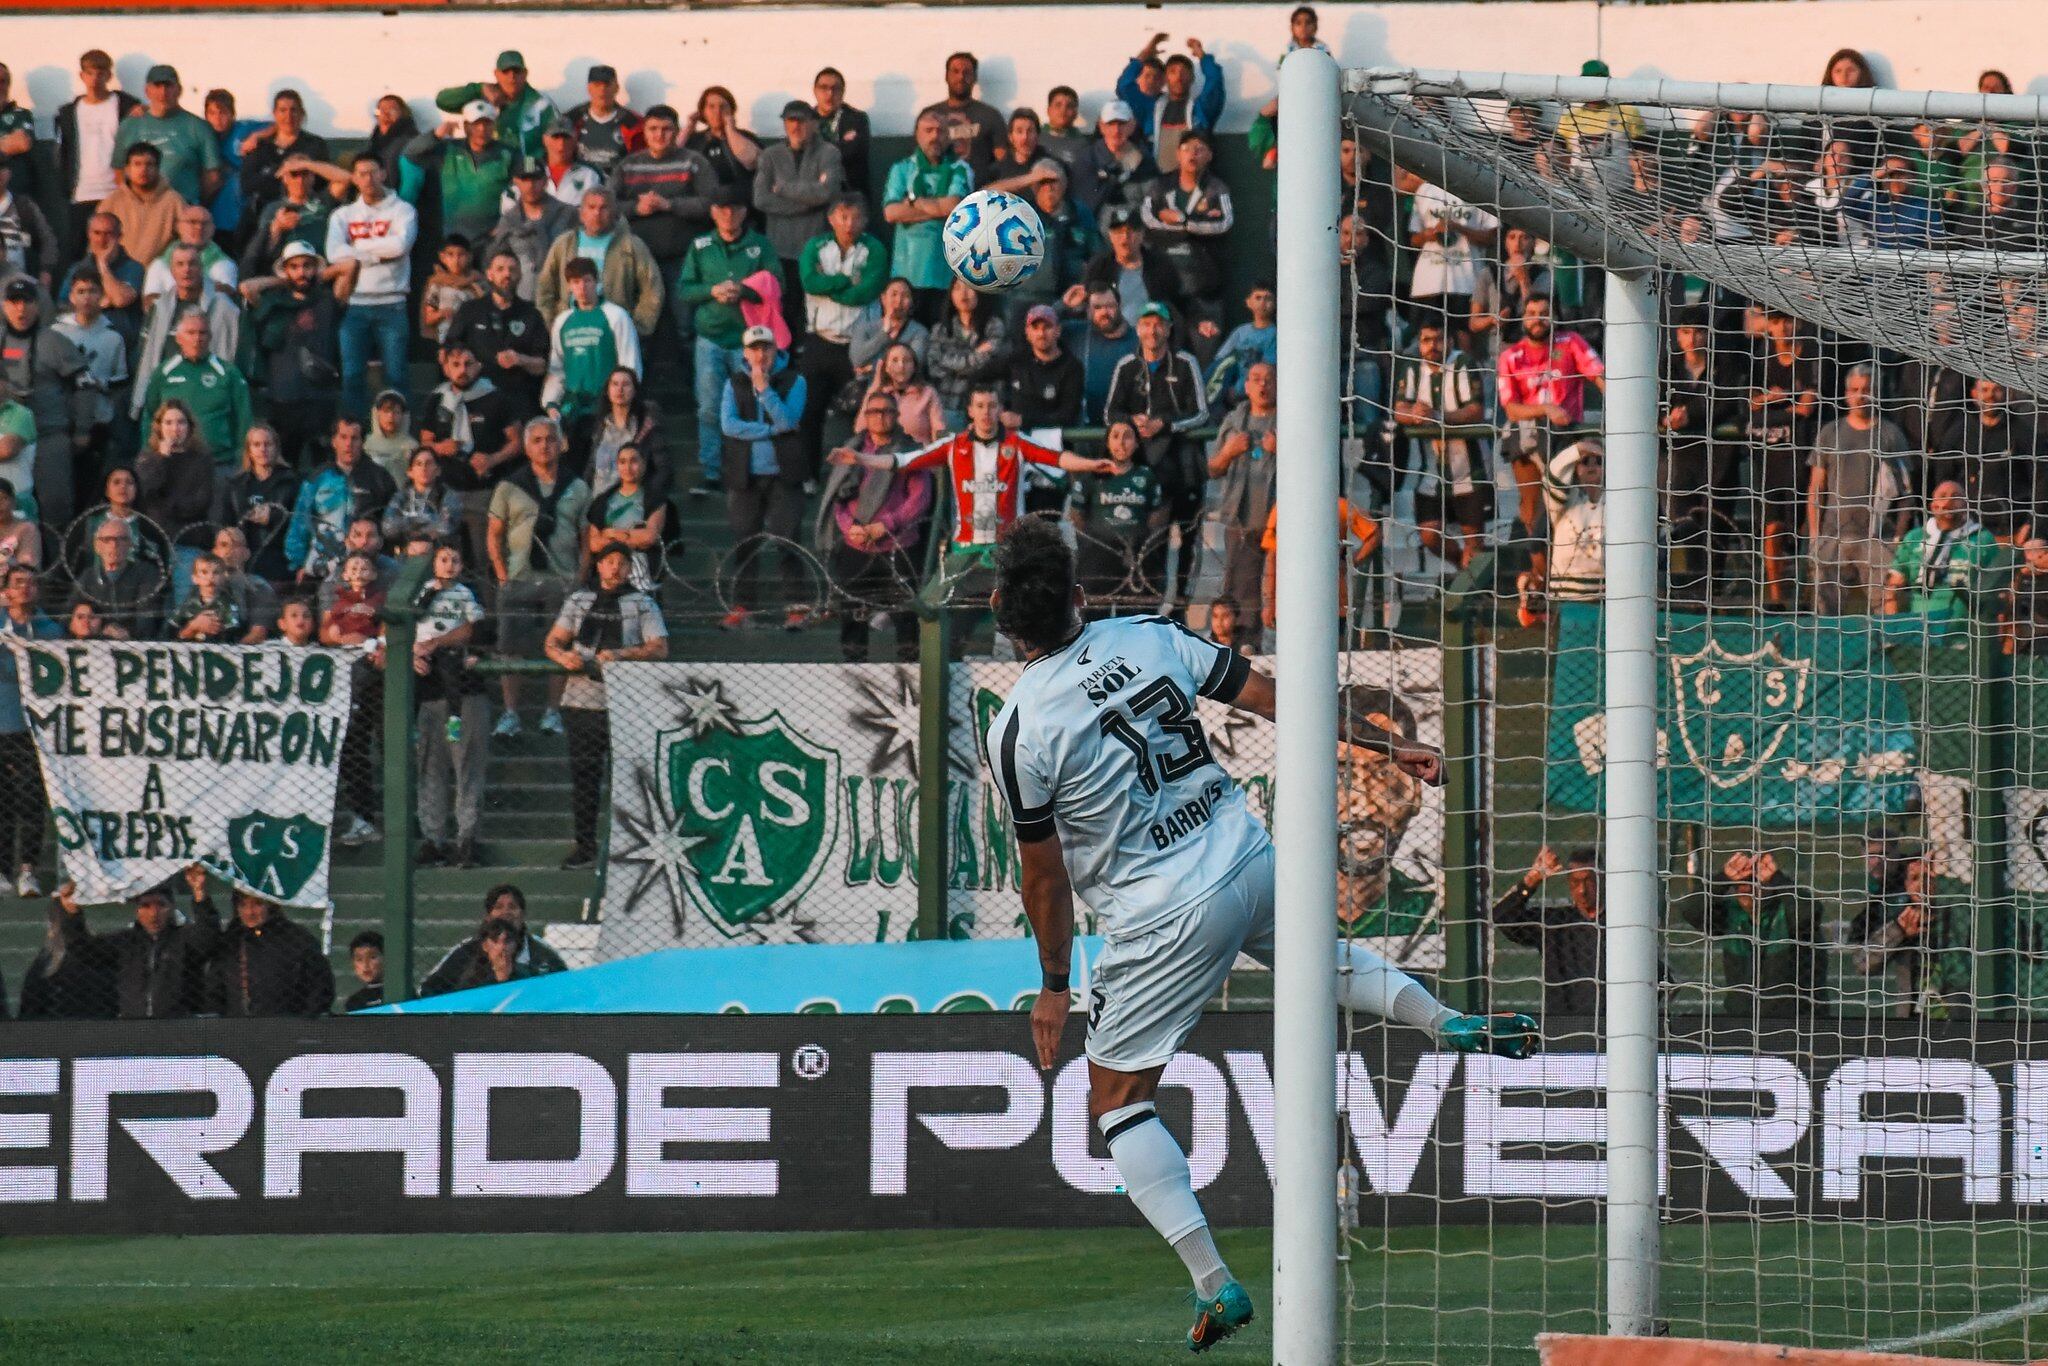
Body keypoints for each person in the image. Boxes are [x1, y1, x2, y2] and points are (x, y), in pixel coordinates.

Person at [981, 518, 1532, 1351]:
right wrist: (1391, 743)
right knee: (1322, 961)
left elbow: (1044, 878)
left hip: (1159, 912)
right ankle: (1445, 1021)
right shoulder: (1149, 636)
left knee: (1117, 1101)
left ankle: (1217, 1285)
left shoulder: (1019, 728)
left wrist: (1055, 986)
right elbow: (1279, 698)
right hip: (1245, 853)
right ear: (1081, 598)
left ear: (1000, 614)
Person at [545, 542, 669, 869]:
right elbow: (553, 641)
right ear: (599, 566)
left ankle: (631, 849)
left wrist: (622, 655)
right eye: (609, 561)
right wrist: (563, 657)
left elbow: (659, 648)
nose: (615, 568)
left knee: (629, 779)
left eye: (622, 563)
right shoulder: (579, 600)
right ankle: (585, 846)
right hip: (581, 701)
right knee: (584, 778)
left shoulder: (642, 603)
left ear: (630, 569)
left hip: (625, 705)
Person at [488, 417, 589, 738]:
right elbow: (494, 534)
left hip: (562, 578)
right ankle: (510, 713)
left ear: (561, 444)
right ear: (526, 447)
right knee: (510, 647)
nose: (544, 446)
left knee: (561, 644)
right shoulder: (509, 486)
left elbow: (587, 538)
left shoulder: (577, 487)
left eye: (550, 439)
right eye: (537, 440)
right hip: (519, 578)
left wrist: (580, 577)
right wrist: (502, 576)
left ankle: (553, 711)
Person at [1105, 301, 1207, 602]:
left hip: (1182, 468)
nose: (1153, 330)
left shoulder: (1185, 363)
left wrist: (1164, 424)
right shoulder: (1127, 365)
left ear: (1169, 328)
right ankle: (1145, 600)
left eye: (1159, 324)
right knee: (1147, 540)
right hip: (1143, 470)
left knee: (1187, 538)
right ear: (1138, 329)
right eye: (1147, 324)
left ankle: (1181, 604)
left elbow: (1201, 413)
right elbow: (1110, 412)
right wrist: (1132, 423)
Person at [676, 187, 776, 492]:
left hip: (750, 341)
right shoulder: (700, 246)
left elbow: (777, 284)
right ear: (712, 212)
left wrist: (743, 290)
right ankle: (711, 470)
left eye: (734, 208)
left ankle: (751, 470)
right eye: (721, 208)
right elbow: (684, 290)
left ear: (745, 212)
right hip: (710, 338)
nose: (728, 214)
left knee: (754, 406)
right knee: (709, 407)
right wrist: (712, 291)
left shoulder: (760, 245)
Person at [818, 390, 929, 662]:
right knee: (853, 615)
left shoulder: (909, 452)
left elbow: (919, 499)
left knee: (906, 617)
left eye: (887, 411)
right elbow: (839, 498)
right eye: (874, 412)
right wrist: (851, 528)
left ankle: (911, 673)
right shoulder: (851, 450)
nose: (880, 417)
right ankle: (855, 669)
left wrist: (885, 525)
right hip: (856, 547)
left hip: (900, 547)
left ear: (897, 416)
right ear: (865, 417)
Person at [719, 326, 810, 630]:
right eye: (754, 349)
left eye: (766, 348)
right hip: (745, 475)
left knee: (788, 539)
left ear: (775, 350)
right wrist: (770, 431)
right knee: (745, 541)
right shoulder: (733, 383)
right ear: (745, 353)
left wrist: (765, 390)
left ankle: (796, 607)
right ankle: (743, 606)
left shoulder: (795, 381)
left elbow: (789, 419)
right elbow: (729, 425)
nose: (760, 355)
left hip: (784, 474)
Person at [1497, 294, 1606, 542]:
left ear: (1554, 316)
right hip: (1526, 433)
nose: (1537, 319)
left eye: (1544, 313)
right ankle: (1539, 558)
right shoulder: (1510, 355)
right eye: (1531, 313)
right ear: (1523, 318)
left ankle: (1567, 554)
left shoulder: (1571, 342)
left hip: (1565, 432)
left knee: (1569, 503)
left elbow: (1599, 375)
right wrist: (1547, 409)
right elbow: (1511, 409)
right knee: (1532, 508)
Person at [1808, 364, 1913, 614]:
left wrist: (1898, 537)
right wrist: (1815, 536)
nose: (1860, 395)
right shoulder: (1830, 432)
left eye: (1866, 390)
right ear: (1846, 394)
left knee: (1885, 606)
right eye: (1854, 390)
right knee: (1826, 610)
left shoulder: (1891, 434)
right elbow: (1815, 488)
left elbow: (1907, 492)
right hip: (1833, 535)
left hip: (1878, 538)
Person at [412, 539, 489, 869]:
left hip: (464, 695)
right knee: (431, 766)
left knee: (466, 765)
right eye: (442, 559)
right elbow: (401, 629)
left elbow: (475, 629)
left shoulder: (468, 593)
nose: (448, 565)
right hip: (430, 695)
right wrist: (413, 652)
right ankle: (434, 839)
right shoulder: (419, 595)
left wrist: (436, 643)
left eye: (454, 559)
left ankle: (466, 838)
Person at [55, 868, 222, 1018]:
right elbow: (83, 950)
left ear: (171, 907)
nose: (154, 913)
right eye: (145, 905)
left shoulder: (182, 939)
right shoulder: (125, 942)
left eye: (161, 905)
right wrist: (71, 914)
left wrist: (200, 895)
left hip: (177, 1024)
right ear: (136, 910)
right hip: (133, 1024)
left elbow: (206, 936)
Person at [609, 104, 713, 346]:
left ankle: (689, 371)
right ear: (644, 132)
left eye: (666, 129)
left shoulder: (694, 162)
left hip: (683, 258)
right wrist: (636, 208)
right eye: (653, 129)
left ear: (676, 131)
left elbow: (711, 204)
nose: (659, 135)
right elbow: (606, 205)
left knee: (685, 325)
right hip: (638, 258)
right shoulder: (628, 165)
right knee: (639, 324)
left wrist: (669, 205)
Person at [797, 194, 887, 471]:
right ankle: (809, 474)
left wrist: (829, 283)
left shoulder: (875, 249)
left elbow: (864, 294)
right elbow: (809, 282)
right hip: (820, 340)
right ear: (831, 219)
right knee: (809, 410)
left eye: (856, 217)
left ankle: (857, 475)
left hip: (859, 345)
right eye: (843, 217)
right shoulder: (815, 246)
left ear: (866, 220)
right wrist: (845, 280)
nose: (849, 224)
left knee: (859, 414)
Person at [325, 152, 419, 417]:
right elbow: (334, 254)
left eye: (373, 172)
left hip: (393, 304)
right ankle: (354, 430)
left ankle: (401, 431)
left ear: (383, 174)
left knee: (397, 376)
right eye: (361, 174)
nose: (368, 179)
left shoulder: (403, 210)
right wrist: (378, 253)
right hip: (353, 304)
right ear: (354, 178)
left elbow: (400, 246)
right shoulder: (342, 215)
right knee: (352, 376)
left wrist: (357, 249)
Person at [1393, 320, 1490, 570]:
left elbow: (1476, 410)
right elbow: (1399, 409)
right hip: (1429, 474)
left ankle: (1470, 580)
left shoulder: (1464, 363)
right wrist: (1414, 413)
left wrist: (1438, 416)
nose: (1432, 346)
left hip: (1469, 471)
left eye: (1438, 340)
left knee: (1474, 544)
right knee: (1429, 536)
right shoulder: (1412, 368)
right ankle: (1463, 571)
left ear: (1450, 341)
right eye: (1426, 340)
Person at [0, 278, 95, 526]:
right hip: (7, 437)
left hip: (49, 435)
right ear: (4, 305)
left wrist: (83, 428)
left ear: (37, 305)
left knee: (56, 503)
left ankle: (57, 549)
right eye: (14, 302)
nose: (21, 309)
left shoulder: (54, 341)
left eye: (27, 302)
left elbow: (85, 383)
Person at [1689, 849, 1825, 1020]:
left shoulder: (1787, 913)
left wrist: (1777, 878)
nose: (1747, 888)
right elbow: (1691, 909)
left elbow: (1810, 912)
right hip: (1742, 1020)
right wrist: (1724, 878)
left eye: (1755, 880)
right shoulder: (1731, 915)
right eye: (1741, 882)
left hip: (1796, 1020)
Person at [754, 100, 844, 338]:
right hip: (780, 248)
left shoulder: (829, 153)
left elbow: (826, 193)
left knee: (817, 312)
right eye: (790, 121)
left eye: (802, 121)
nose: (796, 126)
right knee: (783, 310)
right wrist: (809, 203)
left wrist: (783, 188)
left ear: (814, 123)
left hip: (817, 247)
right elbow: (761, 199)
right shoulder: (770, 155)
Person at [1137, 131, 1232, 352]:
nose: (1192, 154)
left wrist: (1182, 220)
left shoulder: (1217, 188)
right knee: (1163, 351)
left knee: (1205, 353)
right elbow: (1149, 220)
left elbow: (1224, 223)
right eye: (1187, 148)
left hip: (1205, 291)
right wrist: (1199, 224)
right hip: (1165, 291)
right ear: (1178, 154)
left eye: (1199, 149)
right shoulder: (1160, 185)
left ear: (1209, 155)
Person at [1207, 363, 1278, 649]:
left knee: (1280, 585)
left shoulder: (1290, 419)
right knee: (1241, 585)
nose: (1263, 385)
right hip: (1241, 519)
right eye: (1256, 379)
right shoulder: (1235, 420)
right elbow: (1214, 468)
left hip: (1279, 521)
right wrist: (1228, 451)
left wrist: (1283, 450)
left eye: (1269, 380)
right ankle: (1245, 644)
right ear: (1246, 386)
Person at [1489, 846, 1603, 1021]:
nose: (1582, 890)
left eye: (1588, 881)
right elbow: (1503, 917)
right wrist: (1532, 879)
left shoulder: (1621, 925)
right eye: (1575, 882)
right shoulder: (1554, 923)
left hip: (1611, 1024)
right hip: (1563, 1026)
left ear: (1602, 880)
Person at [0, 564, 59, 896]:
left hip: (33, 729)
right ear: (6, 591)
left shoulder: (50, 630)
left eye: (31, 583)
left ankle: (28, 870)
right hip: (1, 722)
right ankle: (2, 869)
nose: (25, 588)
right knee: (3, 801)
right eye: (18, 582)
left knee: (31, 799)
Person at [1069, 418, 1166, 615]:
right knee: (1096, 616)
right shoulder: (1091, 476)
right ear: (1107, 442)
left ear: (1137, 443)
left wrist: (1140, 540)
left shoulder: (1146, 476)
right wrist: (1095, 539)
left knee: (1134, 617)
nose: (1121, 443)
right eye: (1115, 436)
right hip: (1099, 556)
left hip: (1135, 555)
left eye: (1127, 437)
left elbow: (1156, 516)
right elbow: (1077, 515)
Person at [287, 414, 398, 584]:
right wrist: (299, 563)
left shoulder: (380, 478)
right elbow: (300, 521)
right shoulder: (317, 478)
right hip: (322, 565)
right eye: (343, 437)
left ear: (362, 442)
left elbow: (391, 526)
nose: (348, 444)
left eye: (354, 438)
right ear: (334, 441)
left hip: (366, 568)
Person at [543, 256, 644, 442]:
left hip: (606, 407)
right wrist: (551, 402)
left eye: (587, 281)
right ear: (569, 286)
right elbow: (557, 367)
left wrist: (624, 403)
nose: (582, 287)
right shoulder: (562, 321)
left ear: (597, 282)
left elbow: (630, 364)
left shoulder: (616, 316)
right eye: (576, 282)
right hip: (573, 409)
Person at [535, 190, 663, 336]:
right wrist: (551, 325)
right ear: (581, 213)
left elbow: (652, 288)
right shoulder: (564, 244)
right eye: (591, 207)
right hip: (570, 330)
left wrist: (637, 328)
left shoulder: (631, 246)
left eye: (603, 208)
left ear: (614, 213)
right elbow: (545, 288)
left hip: (615, 331)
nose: (597, 213)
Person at [882, 112, 971, 322]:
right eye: (928, 130)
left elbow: (954, 208)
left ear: (948, 135)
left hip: (947, 274)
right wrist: (939, 208)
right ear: (917, 135)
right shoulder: (902, 169)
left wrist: (914, 201)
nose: (934, 136)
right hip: (908, 273)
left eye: (940, 131)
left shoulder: (960, 169)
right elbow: (891, 212)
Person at [57, 51, 141, 264]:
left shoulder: (125, 106)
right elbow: (63, 154)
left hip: (116, 191)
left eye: (100, 73)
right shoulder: (69, 112)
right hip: (81, 193)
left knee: (122, 251)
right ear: (82, 75)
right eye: (90, 73)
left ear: (109, 75)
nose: (95, 79)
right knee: (78, 256)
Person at [51, 271, 126, 506]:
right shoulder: (57, 332)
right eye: (80, 291)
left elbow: (121, 379)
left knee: (90, 488)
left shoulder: (113, 337)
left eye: (92, 291)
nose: (86, 297)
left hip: (98, 421)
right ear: (71, 296)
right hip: (62, 420)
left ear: (102, 295)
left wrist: (100, 383)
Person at [139, 309, 251, 465]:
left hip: (219, 463)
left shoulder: (228, 372)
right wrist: (149, 454)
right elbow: (150, 416)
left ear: (210, 337)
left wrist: (242, 461)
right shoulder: (164, 372)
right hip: (173, 462)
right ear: (178, 338)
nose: (197, 339)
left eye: (202, 333)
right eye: (191, 333)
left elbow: (244, 419)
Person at [446, 248, 549, 418]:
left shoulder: (531, 314)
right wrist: (468, 367)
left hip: (520, 401)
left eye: (512, 270)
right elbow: (448, 351)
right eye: (500, 269)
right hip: (476, 401)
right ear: (489, 274)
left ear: (520, 275)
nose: (507, 274)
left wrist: (520, 359)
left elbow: (542, 365)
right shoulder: (470, 310)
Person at [134, 397, 220, 600]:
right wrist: (161, 459)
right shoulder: (148, 458)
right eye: (169, 423)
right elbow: (144, 490)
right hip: (154, 542)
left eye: (181, 422)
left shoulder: (201, 459)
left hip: (187, 539)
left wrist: (164, 506)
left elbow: (199, 502)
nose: (175, 429)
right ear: (159, 427)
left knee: (184, 597)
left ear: (189, 427)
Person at [419, 883, 569, 996]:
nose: (506, 912)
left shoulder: (543, 953)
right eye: (498, 907)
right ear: (488, 916)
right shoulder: (466, 950)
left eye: (512, 907)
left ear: (523, 914)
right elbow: (428, 988)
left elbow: (565, 991)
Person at [1884, 480, 2002, 620]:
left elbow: (2000, 588)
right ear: (1932, 505)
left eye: (1956, 496)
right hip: (1920, 626)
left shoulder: (1982, 539)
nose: (1949, 501)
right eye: (1943, 496)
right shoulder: (1914, 537)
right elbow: (1893, 586)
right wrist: (1892, 625)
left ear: (1966, 505)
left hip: (1964, 626)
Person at [418, 340, 523, 497]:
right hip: (444, 486)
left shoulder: (497, 398)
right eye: (456, 364)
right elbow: (425, 442)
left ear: (478, 366)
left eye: (468, 364)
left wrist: (492, 459)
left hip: (488, 485)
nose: (462, 370)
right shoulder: (436, 399)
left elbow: (517, 442)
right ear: (446, 369)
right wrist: (439, 447)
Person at [207, 889, 335, 1017]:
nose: (249, 912)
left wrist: (303, 1021)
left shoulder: (296, 939)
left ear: (270, 905)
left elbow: (320, 986)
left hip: (288, 1023)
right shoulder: (231, 941)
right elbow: (215, 990)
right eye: (243, 905)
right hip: (238, 1024)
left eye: (258, 904)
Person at [1517, 441, 1606, 623]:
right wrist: (1579, 448)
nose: (1592, 466)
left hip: (1604, 599)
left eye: (1599, 461)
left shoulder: (1617, 501)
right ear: (1575, 468)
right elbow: (1554, 473)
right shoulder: (1563, 502)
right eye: (1585, 461)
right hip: (1566, 599)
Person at [111, 65, 222, 208]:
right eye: (157, 86)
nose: (163, 92)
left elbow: (212, 176)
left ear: (179, 90)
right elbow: (119, 171)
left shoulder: (199, 127)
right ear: (147, 91)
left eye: (168, 86)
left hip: (183, 210)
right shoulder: (129, 125)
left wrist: (194, 205)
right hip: (141, 210)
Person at [1117, 34, 1226, 172]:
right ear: (1165, 78)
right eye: (1173, 72)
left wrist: (1201, 55)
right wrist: (1145, 54)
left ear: (1192, 78)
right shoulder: (1150, 109)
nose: (1179, 77)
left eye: (1184, 72)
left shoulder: (1202, 109)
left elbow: (1215, 81)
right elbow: (1124, 86)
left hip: (1196, 180)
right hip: (1158, 180)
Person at [212, 424, 301, 585]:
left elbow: (301, 522)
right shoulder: (235, 485)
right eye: (257, 444)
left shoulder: (291, 482)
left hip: (280, 562)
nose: (263, 449)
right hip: (244, 563)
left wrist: (274, 516)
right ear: (249, 450)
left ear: (276, 448)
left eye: (268, 444)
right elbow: (224, 524)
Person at [437, 50, 558, 163]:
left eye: (516, 71)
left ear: (525, 73)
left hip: (526, 169)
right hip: (487, 168)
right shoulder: (482, 98)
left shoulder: (541, 104)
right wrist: (479, 88)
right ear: (496, 74)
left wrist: (531, 168)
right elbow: (442, 101)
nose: (512, 77)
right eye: (506, 71)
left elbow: (556, 142)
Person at [236, 89, 331, 225]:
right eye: (283, 110)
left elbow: (321, 182)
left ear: (302, 113)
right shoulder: (259, 146)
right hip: (261, 213)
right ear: (274, 114)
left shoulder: (315, 144)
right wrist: (281, 172)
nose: (289, 116)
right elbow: (247, 185)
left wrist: (271, 175)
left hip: (303, 213)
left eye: (294, 110)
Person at [928, 278, 1011, 429]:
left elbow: (988, 367)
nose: (963, 294)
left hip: (983, 407)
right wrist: (975, 355)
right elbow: (934, 367)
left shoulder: (994, 326)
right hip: (945, 402)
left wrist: (950, 363)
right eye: (957, 288)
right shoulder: (940, 330)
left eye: (969, 288)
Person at [1078, 208, 1179, 330]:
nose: (1125, 237)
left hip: (1150, 334)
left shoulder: (1160, 265)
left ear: (1142, 234)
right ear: (1110, 236)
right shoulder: (1099, 266)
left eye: (1131, 231)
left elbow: (1177, 303)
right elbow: (1085, 303)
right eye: (1118, 232)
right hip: (1109, 333)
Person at [585, 441, 667, 591]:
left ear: (644, 464)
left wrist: (612, 534)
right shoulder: (603, 500)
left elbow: (649, 536)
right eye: (622, 462)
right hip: (607, 569)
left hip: (639, 568)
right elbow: (594, 543)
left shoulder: (654, 499)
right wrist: (631, 537)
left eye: (633, 461)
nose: (628, 467)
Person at [238, 157, 335, 279]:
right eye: (294, 174)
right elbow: (264, 248)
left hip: (321, 268)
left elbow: (345, 179)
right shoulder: (273, 208)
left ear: (312, 176)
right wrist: (278, 226)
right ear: (285, 178)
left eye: (305, 173)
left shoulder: (324, 201)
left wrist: (307, 164)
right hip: (286, 272)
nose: (300, 180)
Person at [72, 515, 164, 640]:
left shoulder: (146, 573)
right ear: (97, 546)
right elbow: (68, 614)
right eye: (107, 539)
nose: (114, 545)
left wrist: (128, 633)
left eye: (122, 539)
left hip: (135, 642)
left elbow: (147, 615)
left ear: (131, 545)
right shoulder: (88, 576)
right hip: (94, 642)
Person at [97, 143, 185, 268]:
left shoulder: (174, 201)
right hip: (118, 270)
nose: (143, 170)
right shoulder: (112, 201)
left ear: (158, 168)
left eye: (149, 164)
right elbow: (96, 240)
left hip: (158, 272)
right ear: (127, 169)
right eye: (137, 164)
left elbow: (185, 241)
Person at [918, 52, 1005, 176]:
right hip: (938, 184)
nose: (961, 77)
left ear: (974, 78)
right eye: (955, 71)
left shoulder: (991, 116)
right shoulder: (929, 115)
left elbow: (1003, 162)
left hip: (980, 186)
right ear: (946, 76)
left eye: (967, 72)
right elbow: (918, 158)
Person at [1003, 304, 1084, 431]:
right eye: (1035, 328)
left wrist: (1022, 421)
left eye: (1047, 327)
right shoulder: (1016, 360)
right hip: (1016, 439)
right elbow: (979, 376)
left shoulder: (1072, 368)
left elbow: (1068, 415)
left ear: (1058, 330)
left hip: (1054, 440)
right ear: (1027, 332)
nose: (1041, 334)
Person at [1065, 286, 1139, 422]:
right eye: (1097, 307)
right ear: (1088, 310)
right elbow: (1042, 328)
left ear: (1120, 306)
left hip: (1125, 425)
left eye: (1110, 306)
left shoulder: (1139, 339)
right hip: (1084, 425)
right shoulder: (1077, 333)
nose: (1104, 312)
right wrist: (1064, 306)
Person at [1070, 101, 1147, 228]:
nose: (1116, 130)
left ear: (1132, 125)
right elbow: (1084, 206)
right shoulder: (1086, 159)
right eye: (1110, 124)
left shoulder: (1145, 159)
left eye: (1122, 124)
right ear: (1101, 126)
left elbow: (1152, 202)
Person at [848, 277, 929, 393]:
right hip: (866, 389)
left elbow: (913, 365)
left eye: (905, 296)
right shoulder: (864, 327)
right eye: (894, 294)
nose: (899, 300)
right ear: (883, 298)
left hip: (904, 392)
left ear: (911, 302)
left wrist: (873, 368)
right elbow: (857, 360)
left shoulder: (919, 332)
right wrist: (884, 334)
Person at [684, 86, 763, 203]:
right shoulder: (695, 140)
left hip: (740, 200)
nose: (717, 111)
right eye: (711, 107)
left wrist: (730, 130)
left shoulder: (745, 137)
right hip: (703, 202)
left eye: (723, 106)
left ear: (731, 110)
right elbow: (670, 158)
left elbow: (753, 162)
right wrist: (688, 128)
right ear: (703, 112)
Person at [563, 64, 642, 179]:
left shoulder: (632, 122)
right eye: (597, 85)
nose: (602, 90)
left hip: (618, 184)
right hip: (580, 183)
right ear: (589, 88)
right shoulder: (572, 119)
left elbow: (641, 161)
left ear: (616, 88)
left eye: (607, 85)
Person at [169, 550, 261, 643]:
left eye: (216, 572)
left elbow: (232, 633)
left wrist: (215, 629)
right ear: (195, 578)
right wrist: (192, 627)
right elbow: (170, 630)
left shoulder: (227, 604)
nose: (210, 577)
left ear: (223, 577)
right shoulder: (189, 603)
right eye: (204, 572)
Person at [864, 341, 945, 444]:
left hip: (918, 451)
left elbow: (939, 430)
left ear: (914, 366)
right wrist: (874, 388)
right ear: (886, 367)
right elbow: (860, 429)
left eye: (907, 361)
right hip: (883, 452)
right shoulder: (878, 393)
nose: (901, 366)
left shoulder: (928, 393)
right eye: (895, 360)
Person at [383, 446, 463, 547]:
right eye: (418, 464)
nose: (424, 468)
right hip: (406, 549)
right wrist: (426, 523)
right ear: (410, 472)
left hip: (438, 549)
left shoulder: (448, 496)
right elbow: (388, 527)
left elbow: (446, 527)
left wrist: (410, 526)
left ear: (438, 470)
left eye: (429, 463)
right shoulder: (400, 497)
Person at [811, 68, 872, 200]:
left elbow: (852, 152)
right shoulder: (805, 119)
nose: (830, 93)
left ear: (843, 92)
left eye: (836, 88)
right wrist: (841, 144)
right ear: (815, 91)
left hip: (848, 191)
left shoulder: (857, 119)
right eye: (824, 88)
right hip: (813, 192)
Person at [0, 159, 57, 296]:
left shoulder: (24, 205)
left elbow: (48, 240)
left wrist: (46, 271)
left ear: (9, 173)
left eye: (2, 168)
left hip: (22, 282)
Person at [419, 234, 484, 344]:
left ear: (469, 256)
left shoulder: (478, 282)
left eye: (461, 255)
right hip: (445, 339)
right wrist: (442, 313)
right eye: (450, 255)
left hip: (472, 339)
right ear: (442, 257)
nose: (456, 260)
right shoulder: (437, 284)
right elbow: (428, 318)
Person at [341, 929, 386, 1012]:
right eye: (359, 959)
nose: (365, 965)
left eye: (372, 957)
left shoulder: (398, 995)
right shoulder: (354, 1002)